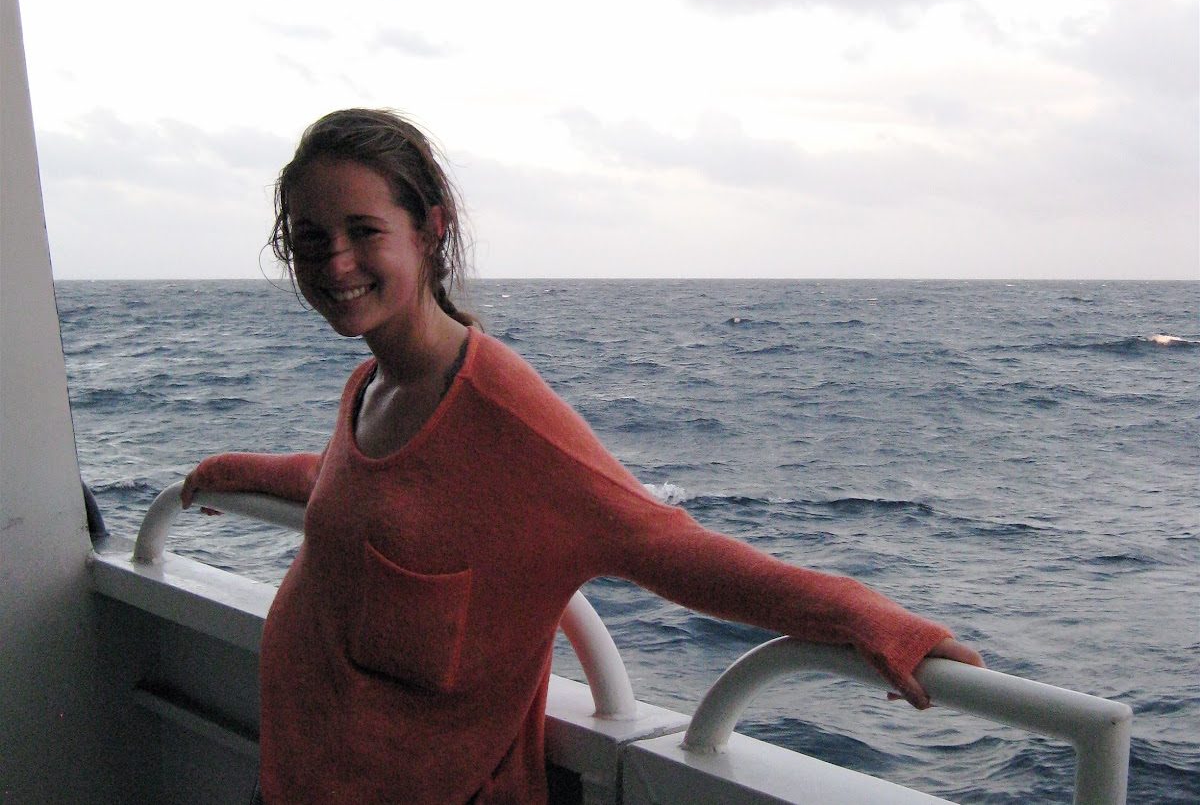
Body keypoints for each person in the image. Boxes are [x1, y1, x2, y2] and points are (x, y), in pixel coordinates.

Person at [183, 108, 984, 804]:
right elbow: (350, 489)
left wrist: (865, 616)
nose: (335, 263)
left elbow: (663, 545)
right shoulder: (371, 386)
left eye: (363, 233)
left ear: (431, 229)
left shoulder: (505, 416)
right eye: (311, 238)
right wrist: (237, 471)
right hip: (298, 782)